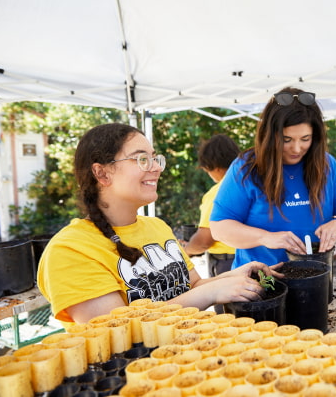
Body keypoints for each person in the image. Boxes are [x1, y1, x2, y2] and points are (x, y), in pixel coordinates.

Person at [37, 123, 278, 325]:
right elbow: (114, 330)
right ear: (102, 173)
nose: (156, 168)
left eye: (155, 158)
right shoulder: (70, 250)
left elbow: (193, 286)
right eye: (142, 159)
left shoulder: (157, 227)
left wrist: (234, 276)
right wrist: (212, 292)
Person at [210, 87, 336, 268]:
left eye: (305, 139)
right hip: (260, 283)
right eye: (286, 140)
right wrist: (266, 238)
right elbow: (219, 228)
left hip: (316, 277)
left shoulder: (325, 164)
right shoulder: (246, 167)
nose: (297, 148)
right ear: (269, 136)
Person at [184, 134, 240, 278]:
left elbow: (204, 240)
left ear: (213, 167)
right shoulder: (249, 184)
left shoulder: (218, 192)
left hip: (227, 264)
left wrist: (186, 249)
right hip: (251, 257)